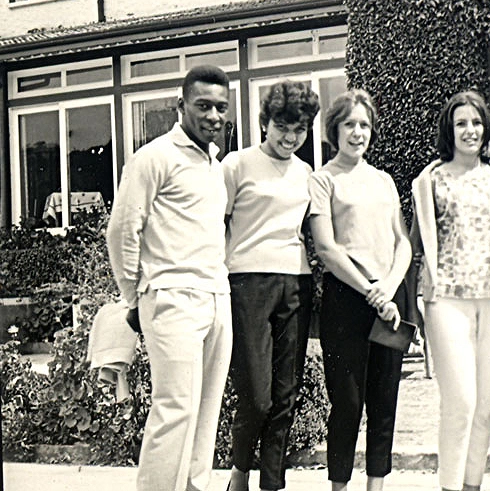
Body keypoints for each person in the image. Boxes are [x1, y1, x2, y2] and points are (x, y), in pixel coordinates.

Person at [106, 65, 233, 491]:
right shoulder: (153, 157)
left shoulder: (215, 162)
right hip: (171, 298)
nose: (213, 115)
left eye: (220, 107)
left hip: (217, 296)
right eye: (203, 105)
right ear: (181, 106)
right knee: (175, 410)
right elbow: (123, 229)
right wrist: (134, 297)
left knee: (205, 412)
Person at [409, 90, 490, 491]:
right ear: (449, 130)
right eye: (461, 123)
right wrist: (423, 294)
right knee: (461, 403)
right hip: (448, 301)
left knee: (486, 409)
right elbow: (419, 242)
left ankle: (473, 485)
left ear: (485, 127)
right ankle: (450, 486)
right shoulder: (429, 179)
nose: (469, 130)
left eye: (476, 122)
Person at [307, 89, 413, 491]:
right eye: (350, 124)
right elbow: (326, 248)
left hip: (388, 301)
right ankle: (339, 487)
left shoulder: (384, 181)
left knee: (384, 403)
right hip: (347, 301)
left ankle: (376, 487)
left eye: (365, 125)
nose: (358, 132)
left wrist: (386, 289)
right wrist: (370, 290)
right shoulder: (323, 180)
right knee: (348, 405)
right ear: (335, 129)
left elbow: (402, 242)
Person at [222, 80, 320, 491]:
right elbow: (214, 224)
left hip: (295, 282)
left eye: (299, 130)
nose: (290, 137)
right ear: (266, 122)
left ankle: (271, 484)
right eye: (282, 126)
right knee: (257, 395)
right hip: (246, 284)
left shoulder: (306, 173)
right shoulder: (236, 165)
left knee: (286, 394)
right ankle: (239, 472)